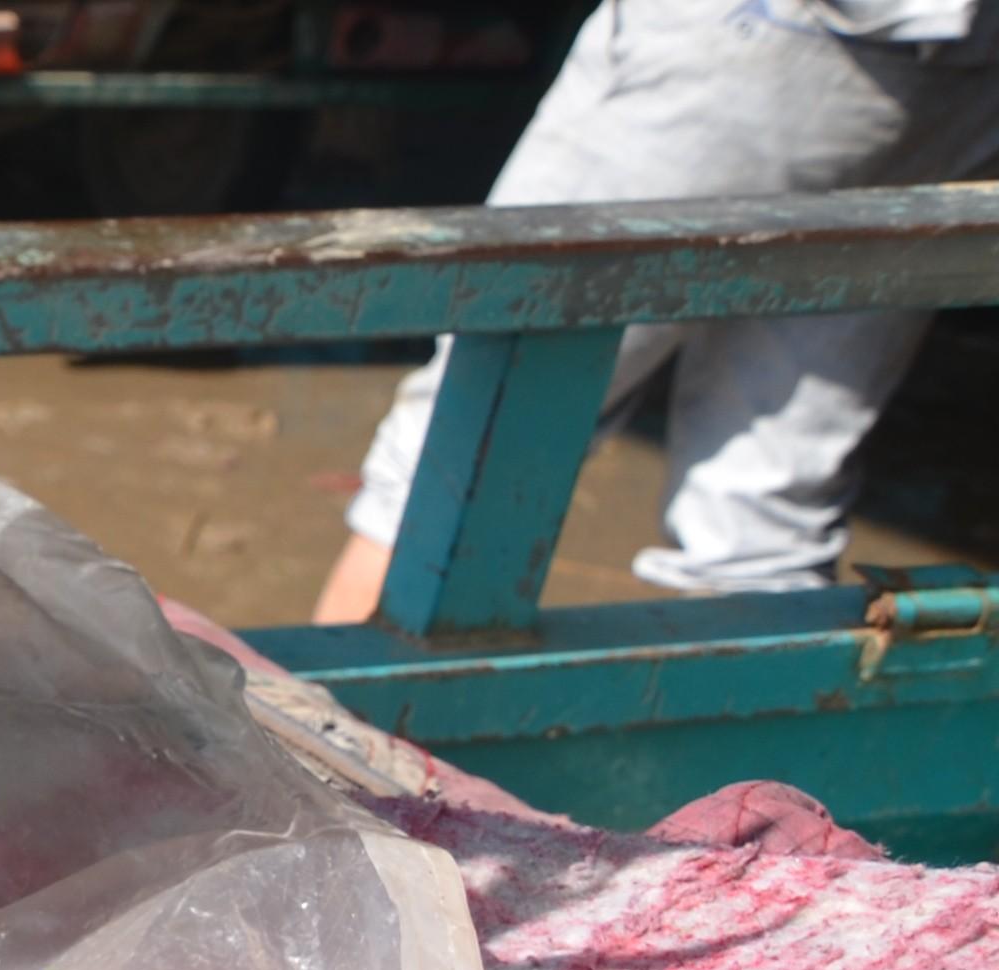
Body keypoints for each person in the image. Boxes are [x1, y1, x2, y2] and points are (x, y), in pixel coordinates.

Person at [314, 0, 999, 618]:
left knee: (481, 417)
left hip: (758, 31)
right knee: (763, 504)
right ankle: (745, 750)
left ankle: (328, 742)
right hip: (958, 56)